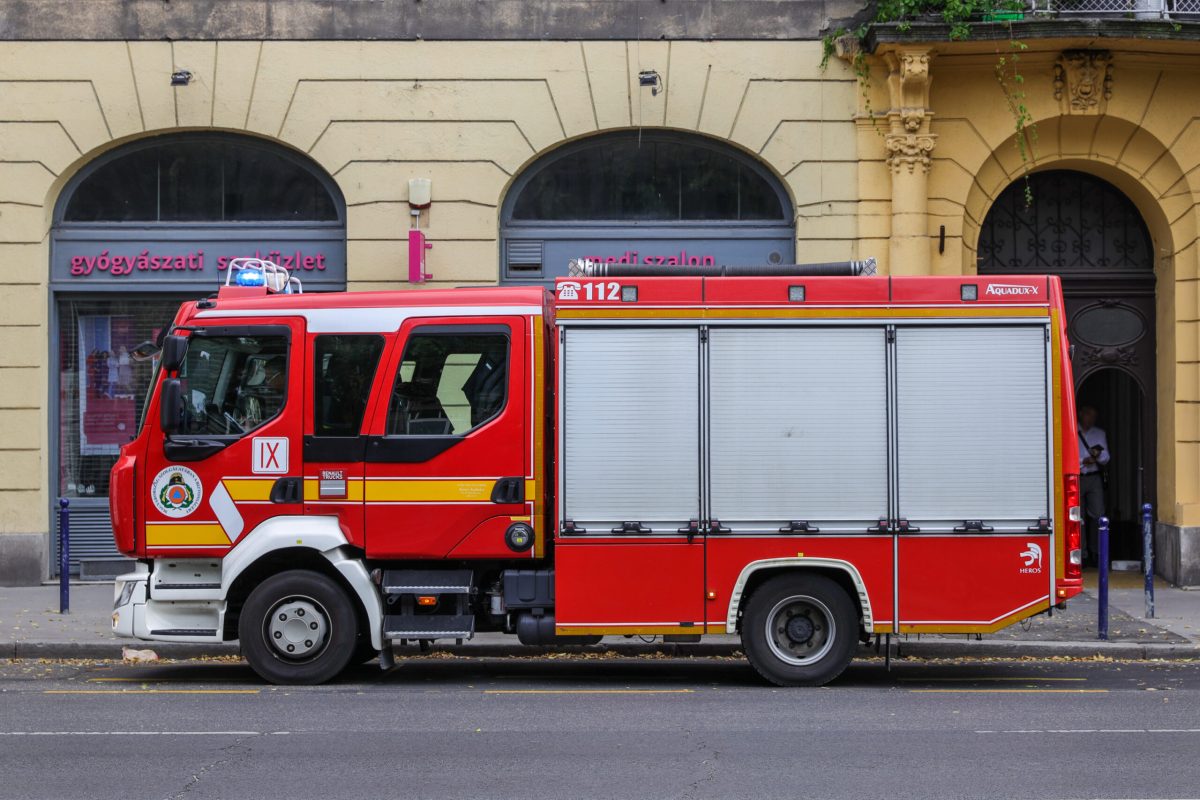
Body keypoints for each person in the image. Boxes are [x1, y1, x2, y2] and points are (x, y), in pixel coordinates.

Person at [1078, 405, 1110, 565]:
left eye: (1094, 416)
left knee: (1098, 515)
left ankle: (1097, 552)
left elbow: (1106, 457)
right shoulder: (1071, 431)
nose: (1091, 419)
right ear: (1081, 414)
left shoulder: (1099, 433)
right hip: (1077, 477)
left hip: (1094, 478)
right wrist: (1083, 461)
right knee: (1078, 518)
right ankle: (1081, 554)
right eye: (1089, 415)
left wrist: (1098, 457)